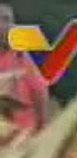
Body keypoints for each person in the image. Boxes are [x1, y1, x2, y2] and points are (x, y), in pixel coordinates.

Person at [0, 3, 50, 134]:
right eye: (1, 19)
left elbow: (41, 92)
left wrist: (42, 128)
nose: (4, 26)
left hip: (23, 135)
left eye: (7, 20)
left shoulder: (20, 56)